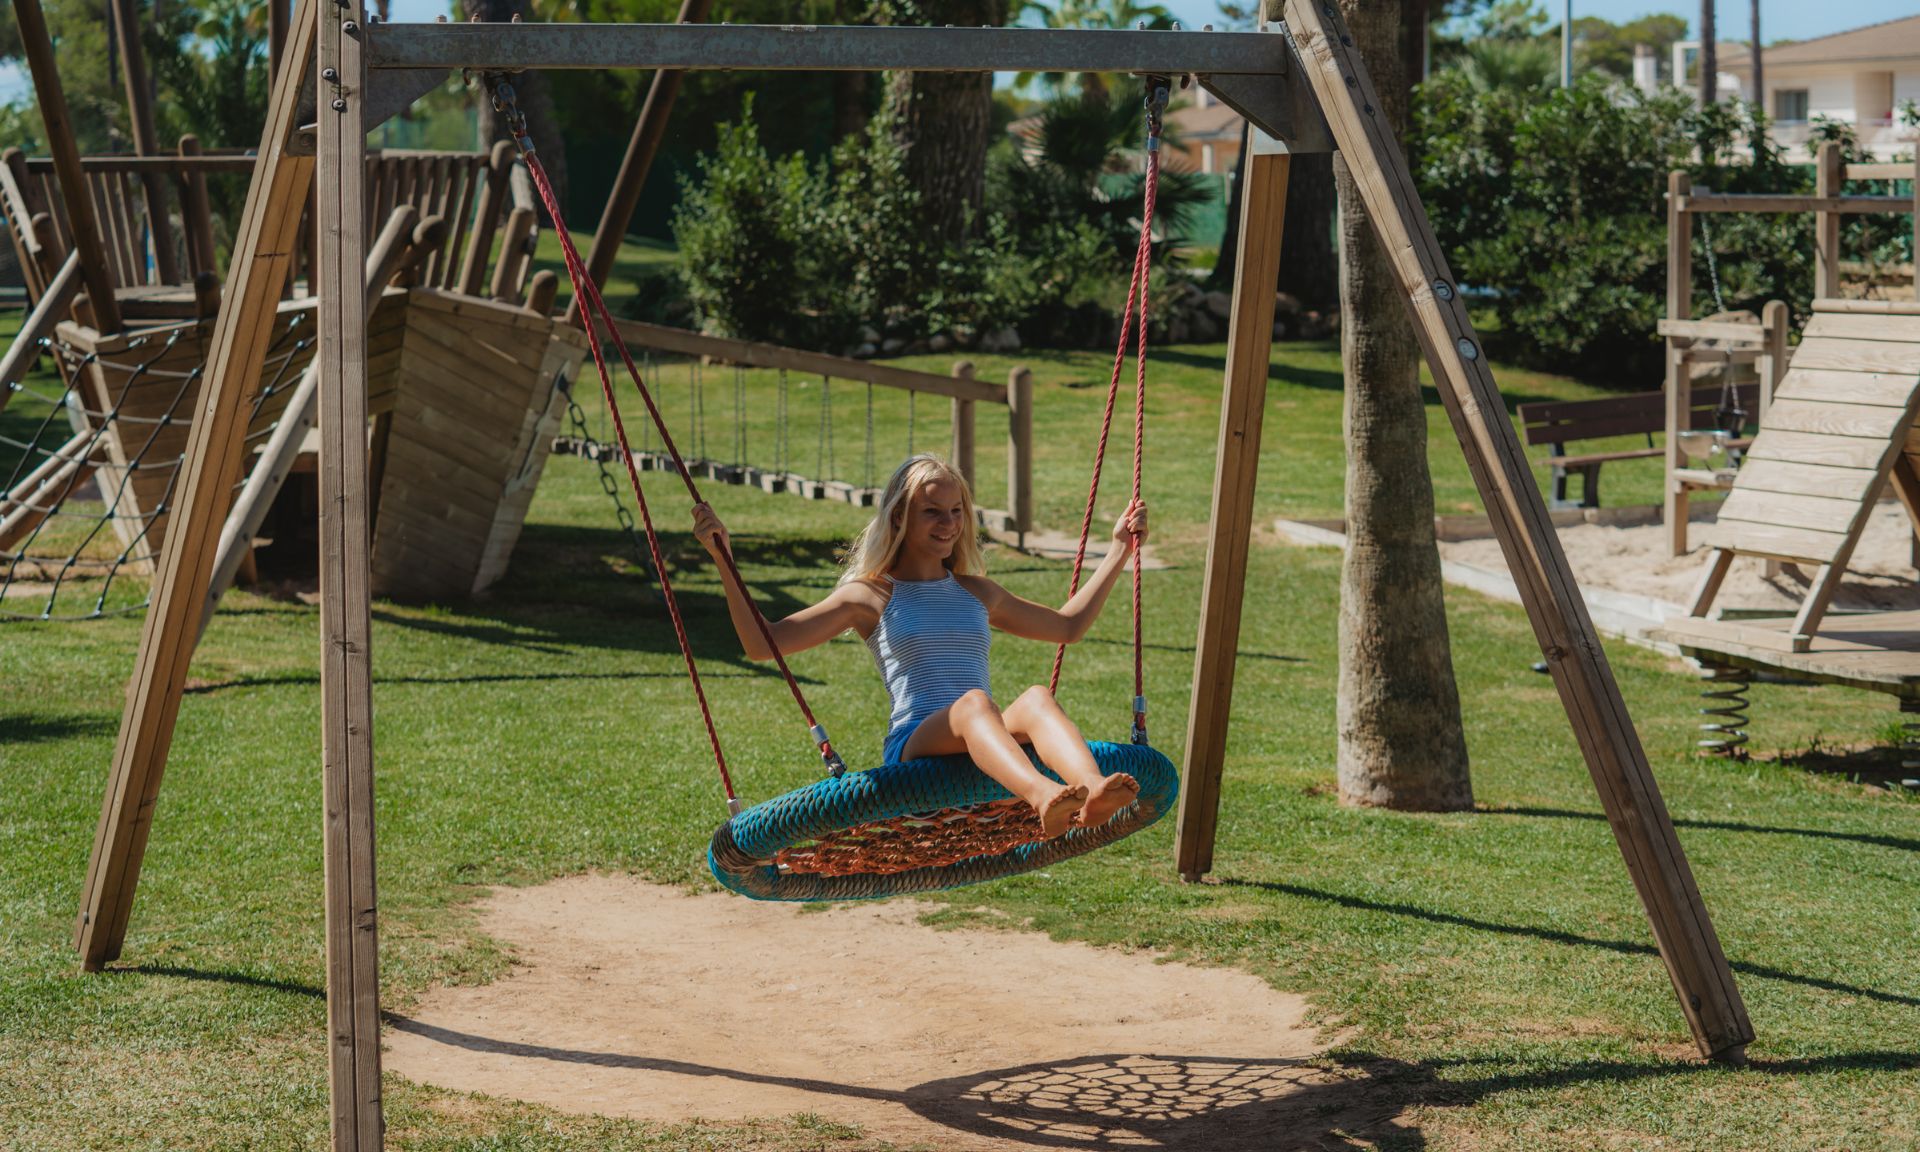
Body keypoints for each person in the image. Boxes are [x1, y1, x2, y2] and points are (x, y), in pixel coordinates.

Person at [692, 454, 1147, 839]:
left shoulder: (976, 591)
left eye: (956, 511)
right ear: (899, 517)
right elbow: (762, 644)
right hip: (916, 743)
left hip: (980, 729)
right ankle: (1041, 795)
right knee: (974, 704)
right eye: (932, 512)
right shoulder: (870, 595)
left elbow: (1067, 626)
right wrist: (724, 561)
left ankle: (1093, 791)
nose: (948, 524)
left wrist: (1118, 551)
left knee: (1036, 699)